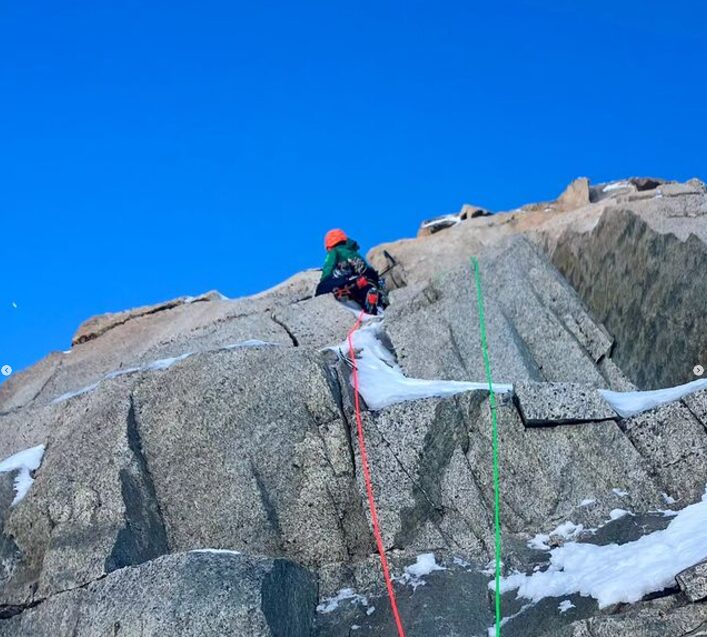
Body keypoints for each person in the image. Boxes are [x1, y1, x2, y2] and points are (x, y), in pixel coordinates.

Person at [315, 229, 386, 314]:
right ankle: (374, 302)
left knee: (322, 287)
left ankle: (343, 290)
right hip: (368, 279)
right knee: (365, 290)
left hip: (349, 280)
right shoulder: (354, 252)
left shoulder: (334, 252)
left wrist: (325, 280)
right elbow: (366, 268)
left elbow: (328, 267)